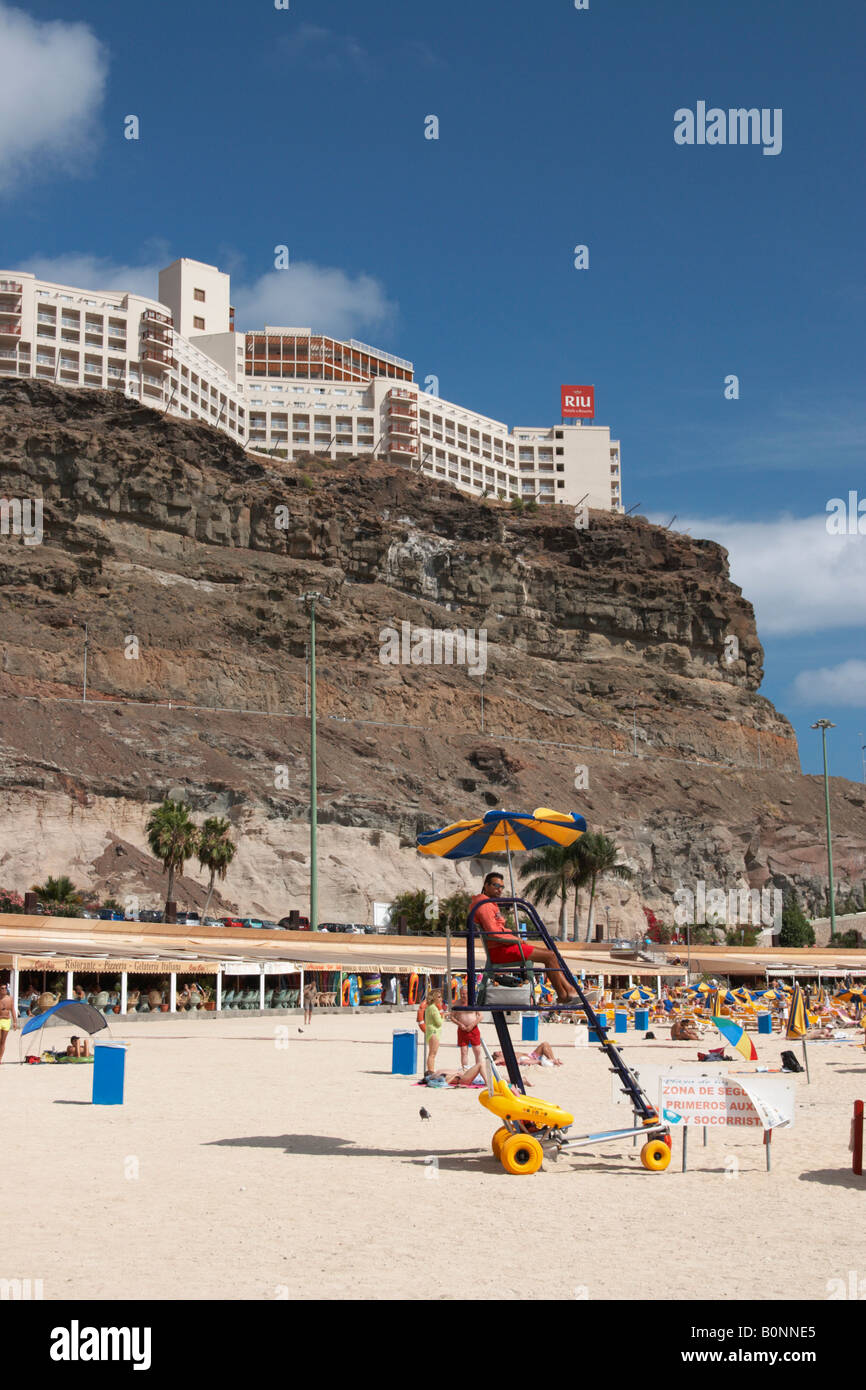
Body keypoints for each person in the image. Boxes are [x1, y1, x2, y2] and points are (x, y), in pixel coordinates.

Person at [468, 872, 578, 1004]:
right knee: (549, 956)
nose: (500, 889)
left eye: (502, 887)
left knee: (551, 955)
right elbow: (493, 933)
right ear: (486, 886)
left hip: (505, 947)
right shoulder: (484, 905)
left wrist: (512, 936)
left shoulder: (488, 903)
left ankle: (567, 992)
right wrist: (516, 939)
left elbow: (497, 930)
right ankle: (565, 993)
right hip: (501, 951)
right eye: (496, 885)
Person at [424, 989, 445, 1073]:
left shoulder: (429, 1007)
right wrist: (443, 1017)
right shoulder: (433, 1008)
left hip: (431, 1031)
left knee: (431, 1054)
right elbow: (439, 1022)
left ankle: (430, 1071)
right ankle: (431, 1071)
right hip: (434, 1032)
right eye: (439, 997)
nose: (441, 999)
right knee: (432, 1054)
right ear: (434, 998)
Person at [0, 984, 17, 1064]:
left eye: (5, 988)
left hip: (7, 1021)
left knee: (3, 1042)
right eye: (2, 988)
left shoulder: (10, 999)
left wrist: (15, 1022)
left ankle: (0, 1059)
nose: (4, 989)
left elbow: (13, 1010)